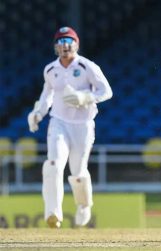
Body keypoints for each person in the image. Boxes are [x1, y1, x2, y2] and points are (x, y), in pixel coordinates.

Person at [27, 26, 113, 228]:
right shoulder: (50, 70)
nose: (65, 46)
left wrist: (86, 97)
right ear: (56, 46)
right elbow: (46, 96)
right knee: (54, 164)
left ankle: (83, 205)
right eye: (61, 41)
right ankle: (53, 212)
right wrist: (38, 113)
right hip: (58, 123)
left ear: (76, 44)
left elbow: (106, 91)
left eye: (69, 41)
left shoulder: (87, 66)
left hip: (82, 125)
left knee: (78, 170)